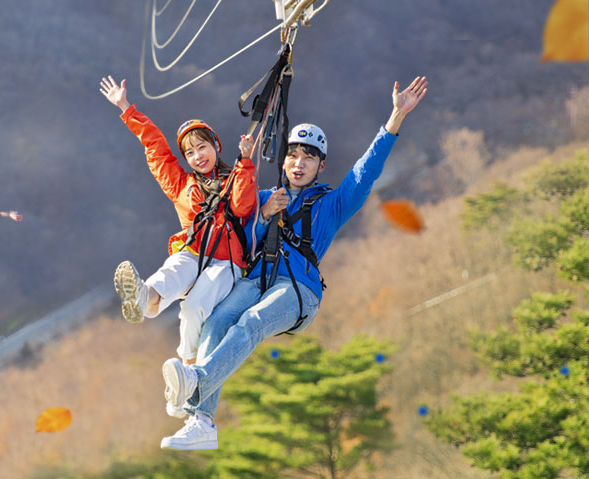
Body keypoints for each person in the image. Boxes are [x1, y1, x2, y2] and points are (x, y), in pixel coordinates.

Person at [159, 76, 429, 450]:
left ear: (321, 166)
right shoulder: (265, 195)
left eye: (309, 157)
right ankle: (201, 421)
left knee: (250, 323)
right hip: (257, 280)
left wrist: (395, 118)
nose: (299, 163)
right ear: (283, 159)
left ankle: (197, 382)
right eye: (293, 155)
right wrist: (264, 214)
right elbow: (237, 238)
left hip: (297, 289)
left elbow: (366, 172)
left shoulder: (332, 204)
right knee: (218, 319)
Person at [99, 75, 258, 419]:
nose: (197, 155)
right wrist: (126, 108)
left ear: (215, 146)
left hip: (226, 260)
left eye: (202, 147)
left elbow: (244, 206)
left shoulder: (234, 178)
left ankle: (186, 373)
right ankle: (145, 298)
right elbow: (155, 147)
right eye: (189, 151)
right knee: (173, 270)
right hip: (193, 251)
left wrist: (245, 162)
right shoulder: (181, 185)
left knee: (194, 308)